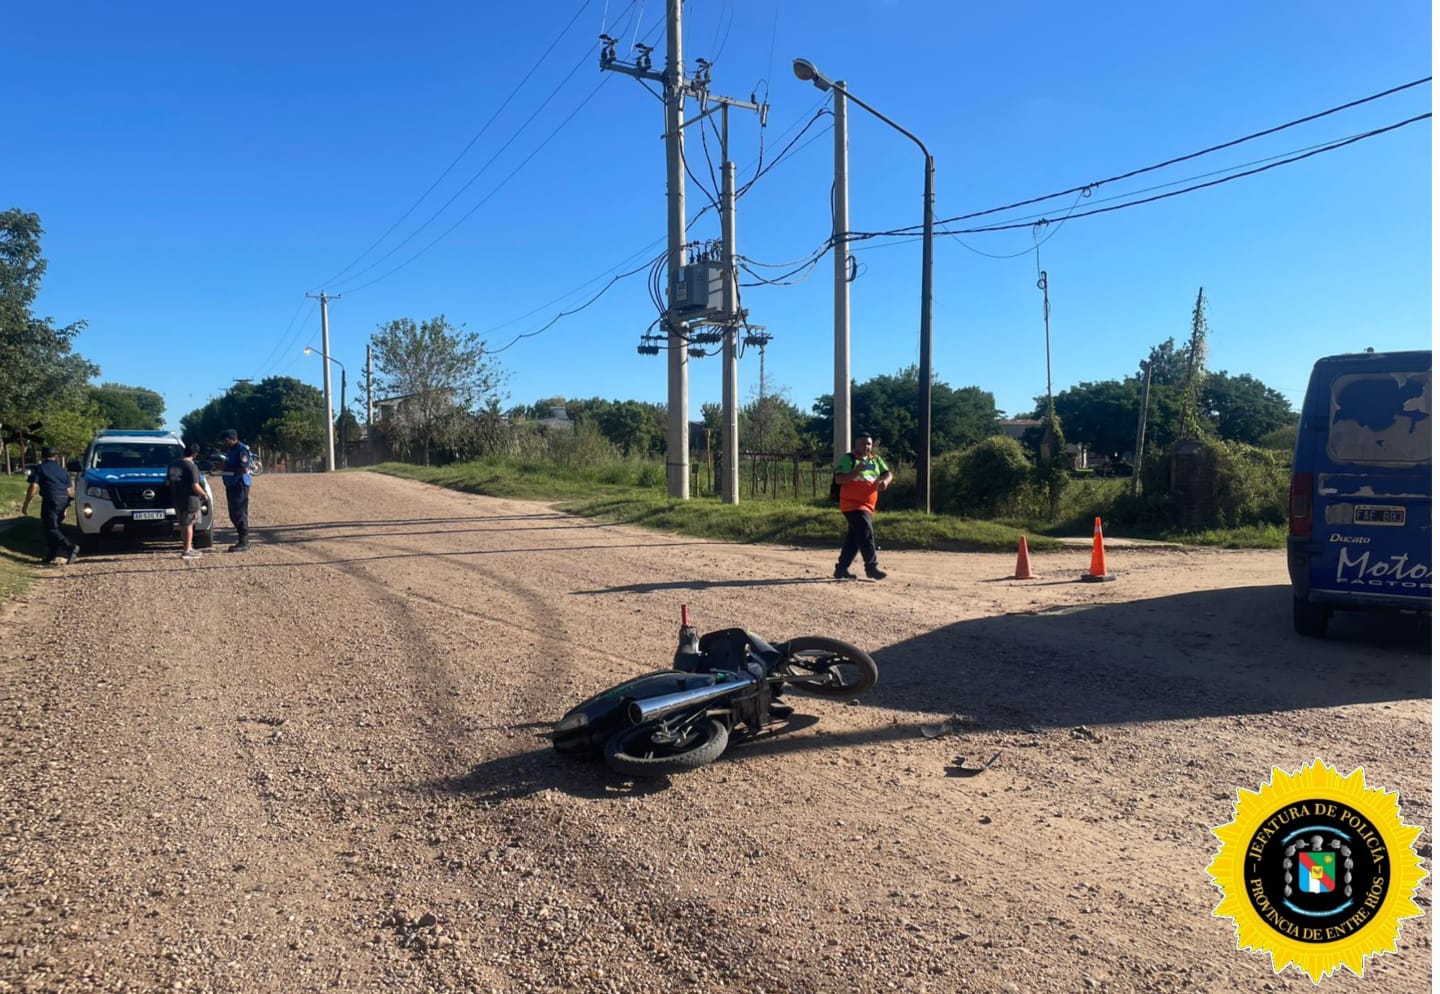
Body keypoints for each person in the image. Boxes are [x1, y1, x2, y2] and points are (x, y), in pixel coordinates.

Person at [832, 432, 893, 580]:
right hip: (852, 504)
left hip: (868, 505)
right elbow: (839, 479)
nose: (866, 446)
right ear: (856, 445)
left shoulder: (876, 460)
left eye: (869, 444)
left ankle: (841, 569)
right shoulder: (849, 459)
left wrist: (885, 481)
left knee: (854, 539)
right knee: (865, 532)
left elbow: (888, 473)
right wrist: (856, 471)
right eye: (863, 443)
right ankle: (871, 567)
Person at [22, 447, 79, 565]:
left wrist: (26, 504)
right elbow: (69, 490)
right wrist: (66, 507)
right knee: (54, 528)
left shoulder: (40, 468)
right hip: (63, 499)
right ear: (56, 457)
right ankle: (51, 555)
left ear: (42, 457)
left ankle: (70, 547)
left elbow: (33, 486)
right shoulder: (63, 470)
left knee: (50, 528)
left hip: (51, 499)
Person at [169, 442, 207, 560]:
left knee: (182, 525)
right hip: (190, 500)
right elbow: (195, 485)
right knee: (189, 525)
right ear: (195, 454)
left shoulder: (173, 464)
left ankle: (186, 547)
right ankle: (187, 550)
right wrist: (204, 495)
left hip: (177, 499)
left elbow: (168, 482)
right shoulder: (191, 466)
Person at [219, 429, 253, 552]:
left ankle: (244, 542)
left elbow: (244, 469)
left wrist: (226, 467)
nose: (224, 442)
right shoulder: (231, 450)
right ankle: (241, 540)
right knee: (233, 513)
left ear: (233, 438)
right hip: (231, 484)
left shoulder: (241, 450)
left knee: (239, 512)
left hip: (239, 484)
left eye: (226, 440)